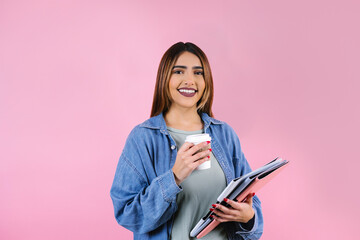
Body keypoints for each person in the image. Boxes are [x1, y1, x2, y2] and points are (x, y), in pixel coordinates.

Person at [110, 42, 264, 240]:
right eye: (179, 72)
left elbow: (252, 207)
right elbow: (127, 214)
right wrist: (174, 177)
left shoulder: (224, 134)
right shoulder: (143, 138)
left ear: (206, 80)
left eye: (198, 73)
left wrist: (248, 217)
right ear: (165, 78)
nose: (190, 80)